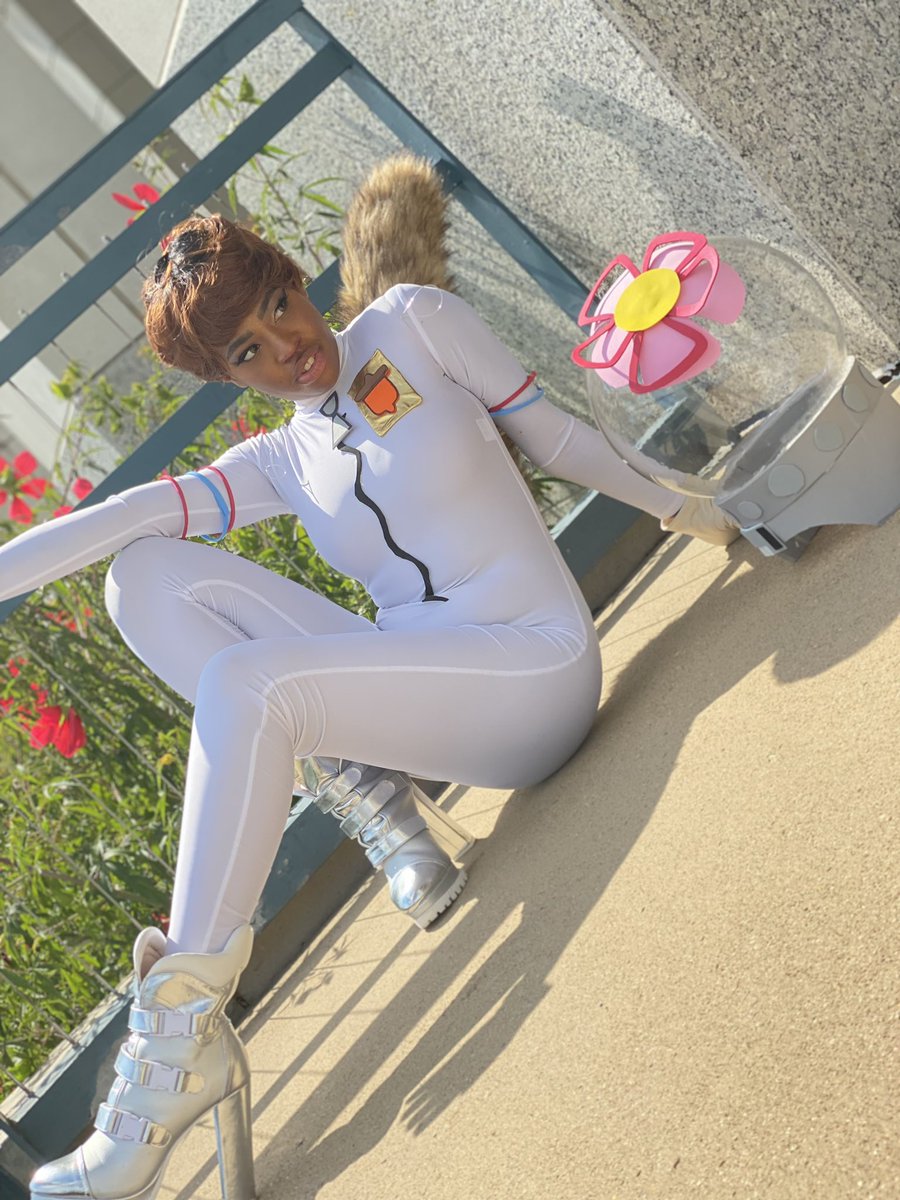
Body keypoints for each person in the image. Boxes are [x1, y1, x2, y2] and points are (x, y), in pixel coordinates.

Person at [17, 157, 738, 1199]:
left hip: (536, 665)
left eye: (278, 305)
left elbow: (555, 439)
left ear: (295, 279)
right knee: (142, 578)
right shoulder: (281, 461)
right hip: (443, 695)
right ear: (228, 378)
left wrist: (697, 507)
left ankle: (173, 1049)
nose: (287, 347)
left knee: (250, 686)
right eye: (248, 350)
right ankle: (379, 805)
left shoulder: (412, 324)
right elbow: (128, 518)